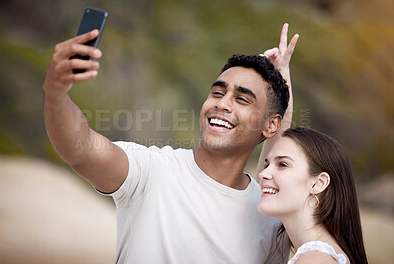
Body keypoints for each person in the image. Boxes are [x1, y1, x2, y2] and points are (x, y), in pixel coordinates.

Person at [43, 22, 298, 263]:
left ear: (271, 124)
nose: (222, 103)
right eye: (217, 93)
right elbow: (81, 148)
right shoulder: (151, 170)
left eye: (242, 99)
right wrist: (55, 93)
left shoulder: (269, 218)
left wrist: (284, 96)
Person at [257, 127, 369, 263]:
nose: (262, 174)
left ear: (318, 183)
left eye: (282, 164)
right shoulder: (320, 256)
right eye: (267, 165)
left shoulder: (314, 260)